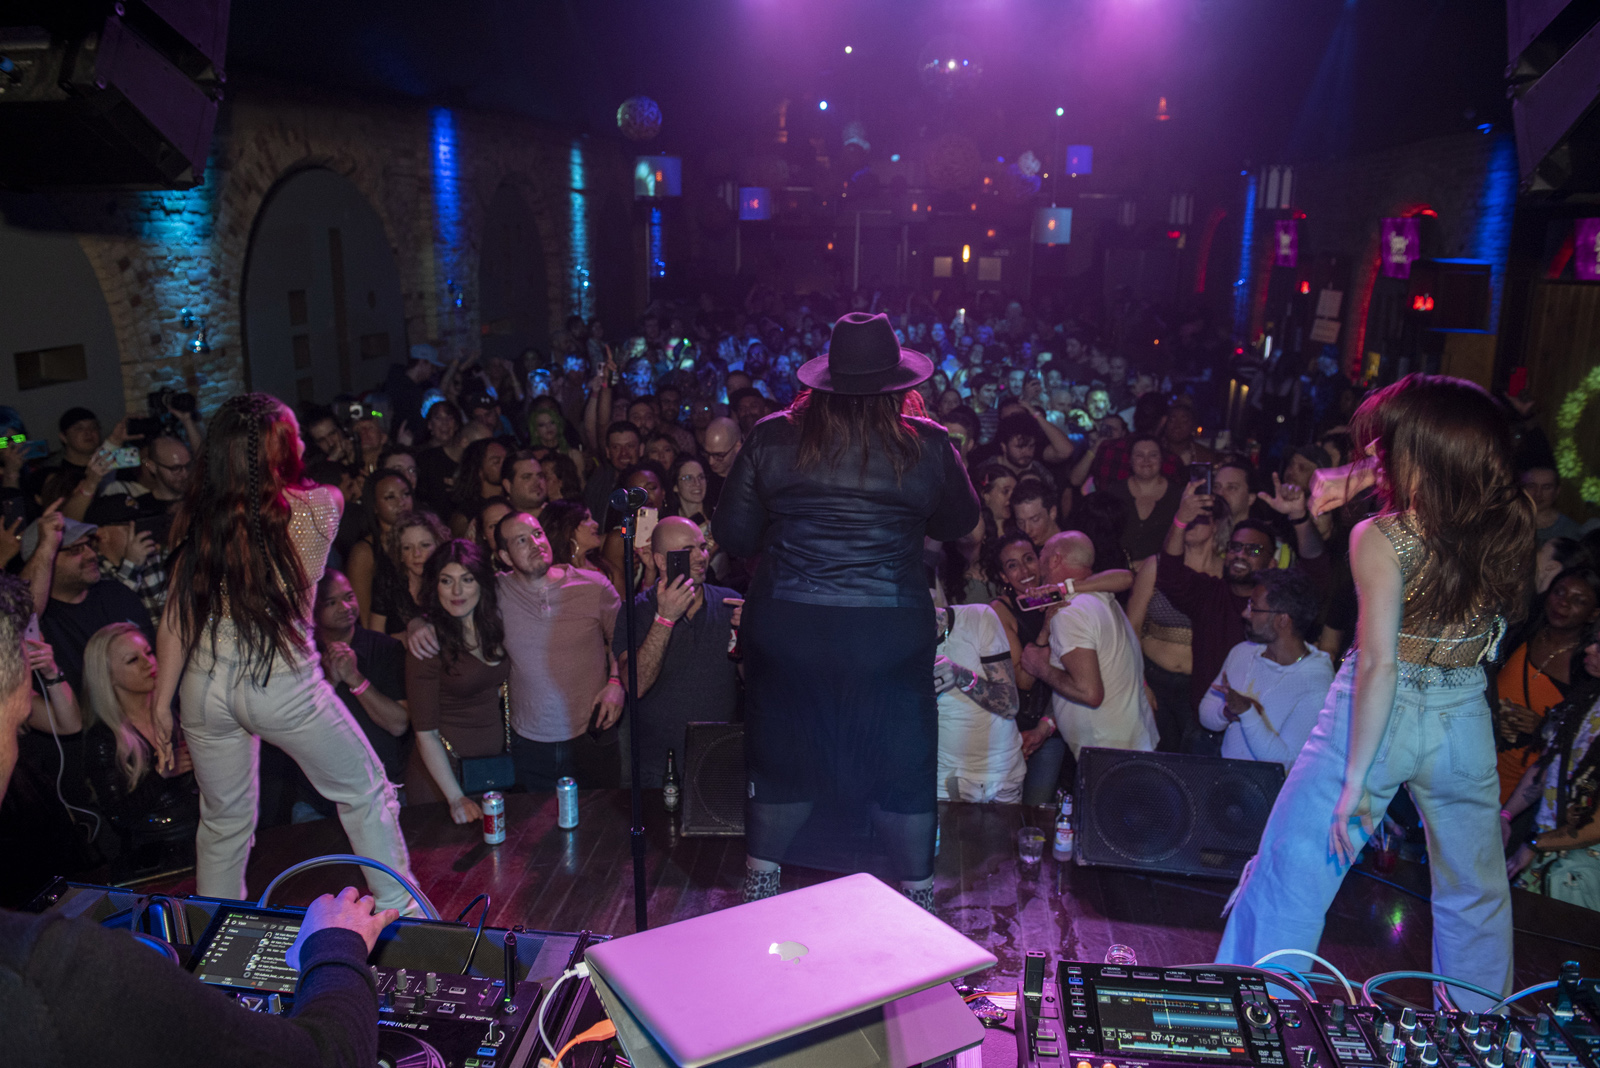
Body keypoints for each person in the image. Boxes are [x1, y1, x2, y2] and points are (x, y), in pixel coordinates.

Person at [1216, 374, 1537, 1010]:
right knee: (1474, 892)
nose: (1375, 454)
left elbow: (1381, 667)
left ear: (1420, 449)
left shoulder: (1382, 537)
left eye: (1387, 445)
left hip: (1373, 719)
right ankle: (1477, 1029)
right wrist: (1355, 475)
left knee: (1295, 868)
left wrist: (1357, 782)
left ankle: (1257, 1011)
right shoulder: (1510, 521)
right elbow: (1450, 474)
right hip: (1462, 716)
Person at [0, 570, 400, 1066]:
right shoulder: (54, 970)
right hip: (155, 865)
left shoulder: (182, 708)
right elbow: (321, 1057)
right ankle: (412, 922)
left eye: (150, 653)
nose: (148, 663)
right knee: (365, 793)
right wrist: (335, 946)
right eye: (19, 725)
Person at [713, 311, 981, 910]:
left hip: (791, 626)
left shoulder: (772, 437)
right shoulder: (928, 442)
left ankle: (760, 888)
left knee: (782, 755)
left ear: (825, 380)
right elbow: (959, 522)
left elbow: (734, 534)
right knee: (901, 760)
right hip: (886, 631)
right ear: (897, 383)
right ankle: (918, 903)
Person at [154, 393, 417, 912]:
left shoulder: (202, 517)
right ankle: (403, 915)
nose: (301, 444)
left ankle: (216, 934)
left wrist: (161, 703)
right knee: (366, 793)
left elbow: (176, 615)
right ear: (279, 449)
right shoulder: (321, 505)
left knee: (223, 823)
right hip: (278, 683)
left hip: (202, 687)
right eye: (293, 435)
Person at [406, 512, 626, 789]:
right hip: (528, 744)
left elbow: (624, 640)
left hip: (593, 732)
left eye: (537, 534)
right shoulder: (496, 591)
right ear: (505, 557)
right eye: (521, 540)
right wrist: (418, 623)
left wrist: (616, 682)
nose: (535, 544)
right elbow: (454, 600)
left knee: (602, 813)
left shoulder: (594, 586)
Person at [614, 517, 740, 786]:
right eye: (687, 550)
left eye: (703, 547)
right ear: (661, 561)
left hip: (718, 761)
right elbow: (635, 685)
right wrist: (665, 619)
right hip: (658, 766)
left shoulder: (729, 602)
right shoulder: (636, 611)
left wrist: (750, 637)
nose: (701, 557)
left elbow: (754, 679)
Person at [1020, 532, 1158, 756]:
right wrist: (1046, 727)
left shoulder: (1071, 613)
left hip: (1109, 753)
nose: (1038, 562)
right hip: (1130, 746)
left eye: (1041, 554)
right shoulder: (1102, 596)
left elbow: (1089, 692)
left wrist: (1041, 668)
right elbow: (1079, 677)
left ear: (1054, 559)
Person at [406, 540, 510, 821]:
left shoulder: (493, 627)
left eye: (467, 579)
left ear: (482, 582)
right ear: (435, 586)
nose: (456, 591)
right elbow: (425, 734)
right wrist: (455, 797)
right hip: (444, 783)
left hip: (489, 772)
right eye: (446, 581)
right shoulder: (428, 644)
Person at [1502, 626, 1600, 911]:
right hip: (1547, 859)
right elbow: (1548, 768)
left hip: (1583, 872)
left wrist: (1534, 844)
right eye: (1593, 641)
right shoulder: (1586, 701)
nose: (1589, 649)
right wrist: (1506, 815)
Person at [80, 622, 199, 851]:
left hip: (203, 832)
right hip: (156, 849)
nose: (149, 663)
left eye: (148, 652)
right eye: (133, 660)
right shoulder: (104, 738)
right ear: (108, 676)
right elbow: (118, 815)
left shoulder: (174, 711)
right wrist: (161, 775)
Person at [1197, 570, 1333, 769]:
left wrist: (1247, 712)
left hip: (1268, 787)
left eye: (1254, 607)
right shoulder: (1243, 652)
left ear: (1282, 620)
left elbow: (1285, 762)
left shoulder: (1315, 681)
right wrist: (1225, 712)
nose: (1245, 613)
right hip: (1226, 777)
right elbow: (1205, 714)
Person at [1494, 568, 1600, 804]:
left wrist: (1542, 728)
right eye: (1559, 592)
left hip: (1530, 788)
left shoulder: (1587, 666)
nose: (1563, 603)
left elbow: (1582, 742)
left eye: (1578, 601)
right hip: (1481, 761)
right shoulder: (1519, 632)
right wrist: (1494, 712)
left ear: (1594, 614)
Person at [26, 513, 154, 692]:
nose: (91, 554)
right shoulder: (38, 622)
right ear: (44, 560)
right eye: (75, 550)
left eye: (89, 545)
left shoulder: (116, 594)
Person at [986, 533, 1065, 805]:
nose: (1024, 570)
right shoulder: (1001, 610)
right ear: (1004, 576)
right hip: (1016, 728)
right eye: (1012, 565)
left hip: (1054, 720)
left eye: (1028, 559)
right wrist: (1045, 631)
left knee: (1039, 810)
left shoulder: (1057, 594)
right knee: (1007, 813)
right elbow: (1024, 680)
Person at [932, 581, 1023, 803]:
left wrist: (961, 676)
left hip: (1001, 773)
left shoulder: (978, 617)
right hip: (946, 775)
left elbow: (1010, 706)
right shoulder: (896, 640)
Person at [345, 469, 414, 627]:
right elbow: (364, 617)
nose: (401, 502)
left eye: (406, 494)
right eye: (390, 497)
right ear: (374, 506)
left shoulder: (424, 540)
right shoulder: (364, 552)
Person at [369, 510, 448, 636]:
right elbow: (375, 637)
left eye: (425, 545)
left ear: (438, 546)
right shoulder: (388, 583)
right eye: (407, 548)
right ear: (400, 554)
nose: (416, 554)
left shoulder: (449, 583)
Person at [1103, 435, 1182, 560]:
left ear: (1161, 459)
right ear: (1130, 460)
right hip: (1118, 567)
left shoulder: (1177, 495)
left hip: (1161, 568)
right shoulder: (1115, 491)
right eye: (1139, 455)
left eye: (1153, 455)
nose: (1146, 460)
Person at [540, 499, 607, 575]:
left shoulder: (601, 564)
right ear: (566, 528)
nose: (596, 524)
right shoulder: (553, 573)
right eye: (585, 519)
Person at [1523, 466, 1583, 545]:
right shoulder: (1511, 523)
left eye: (1546, 487)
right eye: (1532, 486)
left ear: (1557, 491)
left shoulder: (1571, 531)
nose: (1538, 494)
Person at [1010, 479, 1062, 549]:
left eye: (1035, 520)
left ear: (1052, 513)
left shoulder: (1072, 546)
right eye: (1020, 522)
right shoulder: (1021, 549)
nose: (1027, 530)